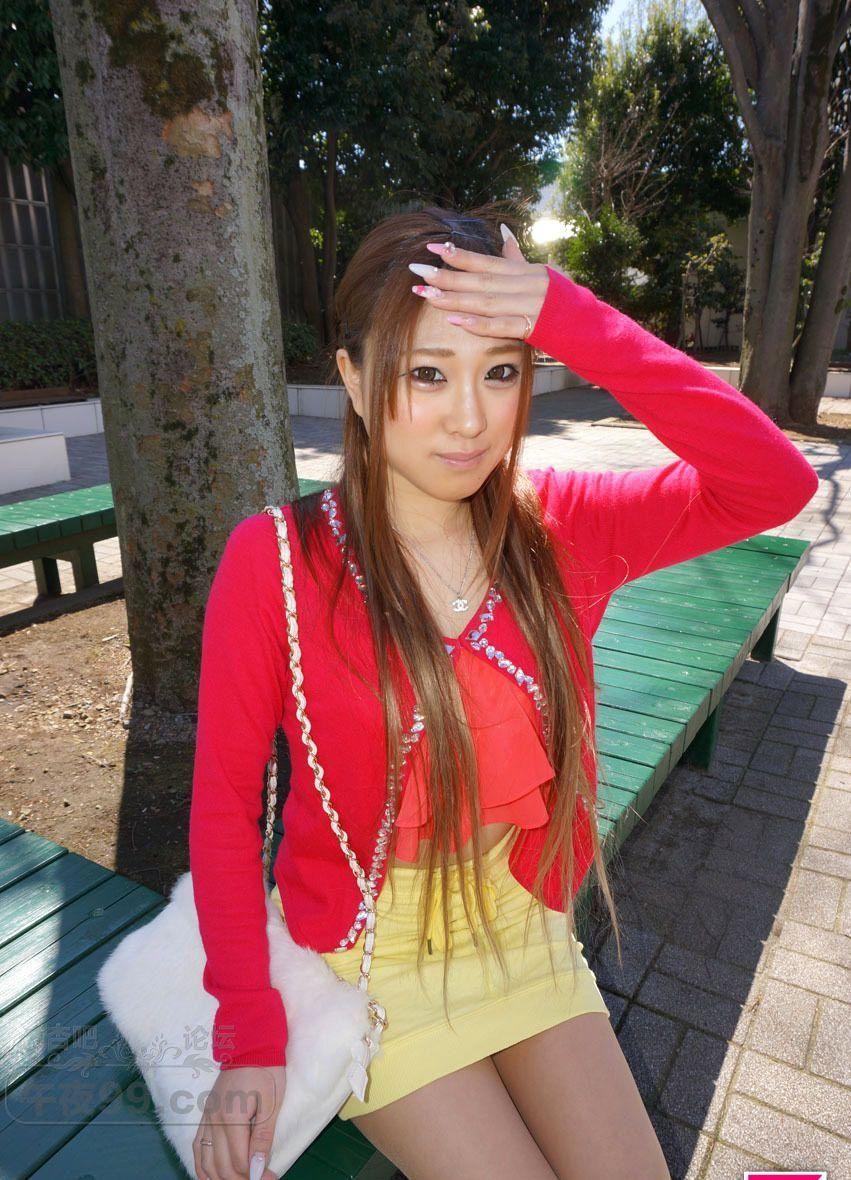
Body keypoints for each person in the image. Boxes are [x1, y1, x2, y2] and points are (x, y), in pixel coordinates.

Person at [188, 203, 819, 1180]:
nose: (470, 418)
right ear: (352, 377)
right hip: (366, 959)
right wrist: (247, 1032)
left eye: (500, 370)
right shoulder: (274, 562)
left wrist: (567, 315)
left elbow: (772, 482)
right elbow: (224, 811)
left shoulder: (556, 528)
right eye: (425, 373)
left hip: (521, 928)